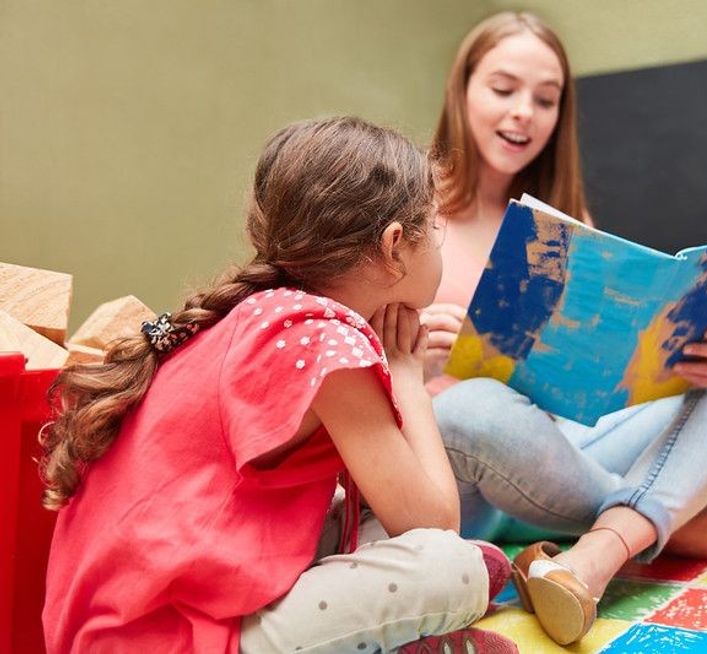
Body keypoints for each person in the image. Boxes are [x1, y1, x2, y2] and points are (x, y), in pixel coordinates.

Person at [40, 117, 518, 654]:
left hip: (124, 626)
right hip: (165, 640)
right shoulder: (322, 339)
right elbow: (434, 523)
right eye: (434, 226)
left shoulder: (267, 316)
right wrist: (407, 374)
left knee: (357, 515)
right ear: (393, 246)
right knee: (453, 567)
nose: (440, 239)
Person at [423, 11, 707, 646]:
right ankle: (680, 525)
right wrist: (428, 356)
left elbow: (589, 377)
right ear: (460, 89)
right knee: (474, 406)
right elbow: (360, 365)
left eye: (545, 99)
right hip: (455, 465)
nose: (524, 112)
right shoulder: (410, 206)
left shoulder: (562, 219)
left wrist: (674, 359)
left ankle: (592, 558)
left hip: (555, 451)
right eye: (503, 89)